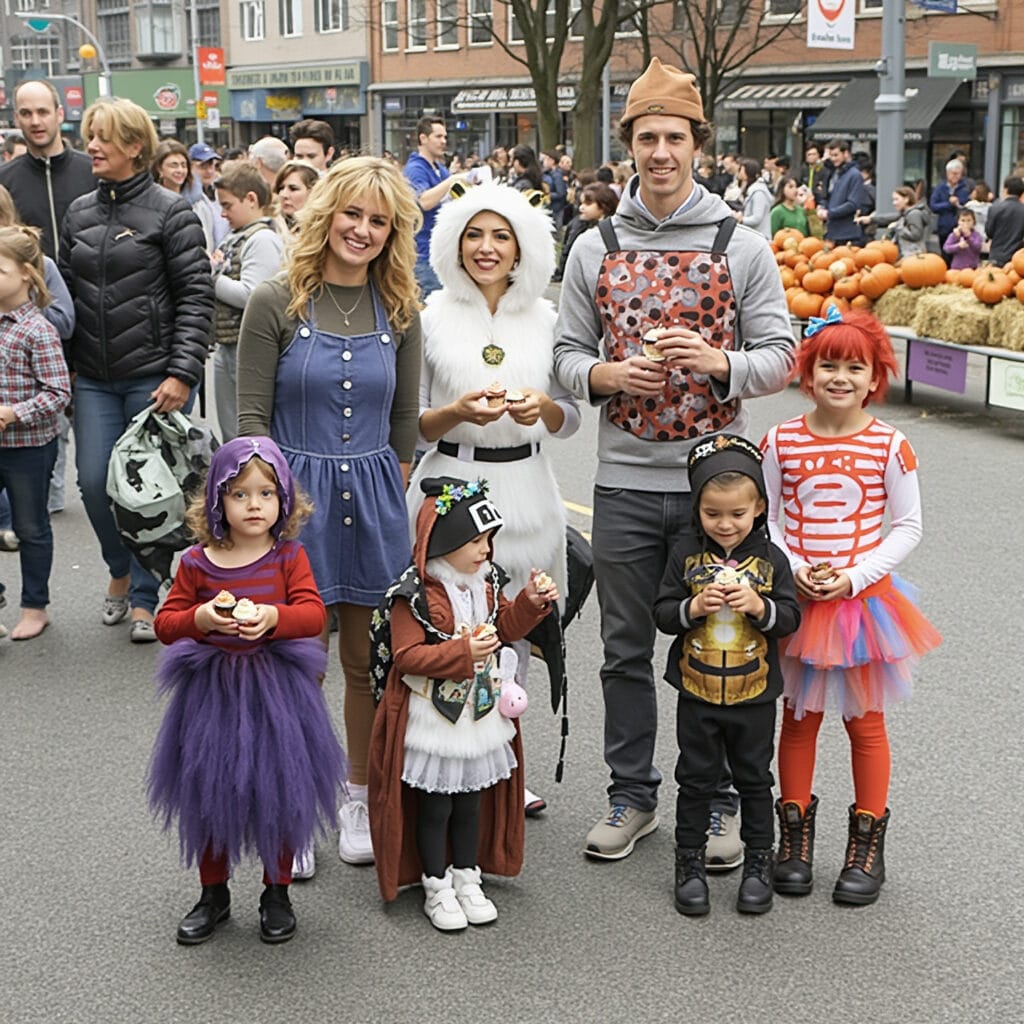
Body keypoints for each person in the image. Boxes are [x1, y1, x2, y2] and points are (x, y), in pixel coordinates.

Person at [553, 57, 795, 867]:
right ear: (629, 145)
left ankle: (722, 799)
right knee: (624, 647)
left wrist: (721, 362)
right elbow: (562, 356)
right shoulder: (595, 246)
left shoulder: (742, 245)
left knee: (723, 639)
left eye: (675, 137)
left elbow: (781, 358)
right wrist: (605, 376)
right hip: (622, 480)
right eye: (647, 137)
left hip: (716, 493)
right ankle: (633, 795)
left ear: (699, 144)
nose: (661, 151)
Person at [236, 156, 422, 875]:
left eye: (380, 221)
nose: (364, 230)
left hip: (374, 497)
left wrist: (393, 491)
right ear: (325, 213)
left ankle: (356, 795)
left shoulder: (401, 308)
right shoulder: (275, 301)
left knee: (366, 662)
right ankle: (294, 802)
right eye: (353, 214)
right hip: (292, 498)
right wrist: (262, 516)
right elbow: (251, 418)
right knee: (296, 661)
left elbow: (404, 418)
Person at [407, 181, 581, 818]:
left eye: (501, 236)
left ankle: (507, 760)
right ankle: (443, 754)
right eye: (474, 234)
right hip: (453, 482)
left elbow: (574, 420)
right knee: (449, 622)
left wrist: (545, 408)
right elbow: (412, 423)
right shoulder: (429, 317)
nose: (486, 248)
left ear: (522, 248)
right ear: (453, 242)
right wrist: (455, 412)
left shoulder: (546, 318)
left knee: (520, 628)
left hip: (530, 488)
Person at [760, 308, 941, 906]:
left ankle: (866, 845)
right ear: (807, 374)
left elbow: (908, 526)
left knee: (865, 723)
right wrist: (795, 569)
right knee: (798, 719)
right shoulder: (780, 439)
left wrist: (855, 576)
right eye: (827, 365)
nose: (840, 377)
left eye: (854, 367)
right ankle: (794, 842)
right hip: (800, 600)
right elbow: (770, 518)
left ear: (874, 378)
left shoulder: (891, 444)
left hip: (863, 607)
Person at [148, 436, 346, 945]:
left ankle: (276, 891)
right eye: (239, 494)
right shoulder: (197, 561)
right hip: (212, 694)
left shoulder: (287, 557)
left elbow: (312, 614)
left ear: (284, 500)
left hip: (276, 694)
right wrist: (201, 616)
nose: (254, 505)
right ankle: (213, 893)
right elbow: (167, 622)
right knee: (209, 791)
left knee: (279, 791)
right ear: (216, 499)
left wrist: (274, 616)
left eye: (266, 493)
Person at [368, 477, 556, 929]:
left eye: (489, 539)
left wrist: (530, 603)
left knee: (472, 801)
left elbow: (506, 626)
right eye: (475, 540)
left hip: (479, 713)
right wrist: (462, 653)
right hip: (432, 718)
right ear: (443, 540)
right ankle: (436, 885)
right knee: (436, 806)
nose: (486, 550)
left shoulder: (486, 582)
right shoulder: (412, 595)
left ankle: (467, 877)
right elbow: (407, 656)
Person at [59, 98, 214, 643]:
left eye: (103, 137)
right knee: (94, 484)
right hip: (94, 378)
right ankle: (120, 569)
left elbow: (197, 297)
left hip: (156, 380)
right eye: (89, 136)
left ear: (134, 147)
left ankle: (149, 597)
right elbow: (66, 298)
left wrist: (182, 373)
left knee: (153, 495)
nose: (92, 146)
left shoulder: (172, 211)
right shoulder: (77, 212)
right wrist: (65, 368)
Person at [654, 435, 799, 916]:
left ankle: (759, 861)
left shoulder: (774, 561)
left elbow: (791, 619)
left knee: (755, 779)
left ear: (759, 507)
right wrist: (692, 606)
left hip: (753, 695)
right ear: (697, 508)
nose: (725, 524)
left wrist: (760, 606)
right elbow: (662, 613)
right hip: (696, 693)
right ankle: (689, 862)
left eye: (737, 514)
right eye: (713, 513)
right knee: (695, 778)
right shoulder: (684, 557)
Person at [0, 225, 71, 640]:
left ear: (27, 273)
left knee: (30, 527)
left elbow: (59, 392)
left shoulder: (38, 329)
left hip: (28, 447)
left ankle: (34, 606)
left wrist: (14, 412)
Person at [210, 161, 284, 441]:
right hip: (230, 344)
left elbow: (253, 294)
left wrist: (212, 278)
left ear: (251, 199)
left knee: (245, 434)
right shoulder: (239, 236)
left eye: (228, 205)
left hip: (247, 347)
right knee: (234, 433)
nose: (223, 213)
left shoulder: (262, 239)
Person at [0, 80, 94, 261]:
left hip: (87, 286)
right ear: (16, 118)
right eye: (26, 114)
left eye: (43, 112)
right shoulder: (4, 182)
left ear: (59, 114)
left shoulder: (94, 172)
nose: (35, 121)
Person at [404, 116, 458, 298]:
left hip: (442, 252)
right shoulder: (415, 169)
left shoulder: (440, 169)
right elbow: (424, 202)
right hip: (423, 254)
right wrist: (452, 180)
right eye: (438, 136)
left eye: (445, 137)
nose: (443, 142)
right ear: (423, 138)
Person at [152, 139, 219, 251]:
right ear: (159, 168)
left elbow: (208, 239)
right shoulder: (150, 202)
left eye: (183, 165)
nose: (180, 170)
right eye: (173, 165)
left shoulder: (198, 202)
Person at [554, 182, 618, 282]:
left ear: (604, 206)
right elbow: (567, 250)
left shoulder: (613, 230)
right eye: (581, 203)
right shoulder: (579, 224)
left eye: (588, 204)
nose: (581, 208)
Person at [859, 186, 931, 259]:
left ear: (906, 199)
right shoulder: (906, 214)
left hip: (913, 255)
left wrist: (897, 227)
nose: (894, 203)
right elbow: (889, 218)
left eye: (896, 199)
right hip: (907, 254)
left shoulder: (914, 214)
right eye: (893, 200)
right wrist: (871, 219)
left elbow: (915, 235)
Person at [818, 138, 867, 246]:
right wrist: (822, 206)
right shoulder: (832, 173)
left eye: (836, 155)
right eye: (831, 155)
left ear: (846, 153)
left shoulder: (855, 175)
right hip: (831, 231)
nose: (833, 159)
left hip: (847, 233)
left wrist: (829, 213)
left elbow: (852, 204)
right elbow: (826, 196)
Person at [930, 159, 971, 258]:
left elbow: (967, 204)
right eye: (953, 174)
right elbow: (933, 206)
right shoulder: (940, 188)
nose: (956, 176)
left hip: (961, 227)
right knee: (945, 254)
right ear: (947, 173)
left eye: (958, 174)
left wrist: (958, 203)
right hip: (944, 227)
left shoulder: (965, 187)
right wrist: (948, 204)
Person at [983, 175, 1024, 266]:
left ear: (1005, 189)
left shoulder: (995, 208)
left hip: (997, 256)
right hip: (1018, 259)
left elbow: (989, 232)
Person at [273, 159, 322, 232]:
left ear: (312, 191)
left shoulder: (324, 230)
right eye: (281, 188)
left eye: (293, 189)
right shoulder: (270, 229)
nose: (284, 195)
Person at [734, 158, 772, 240]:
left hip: (760, 237)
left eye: (742, 170)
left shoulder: (759, 192)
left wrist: (741, 220)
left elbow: (757, 218)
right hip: (753, 236)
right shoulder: (751, 189)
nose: (739, 172)